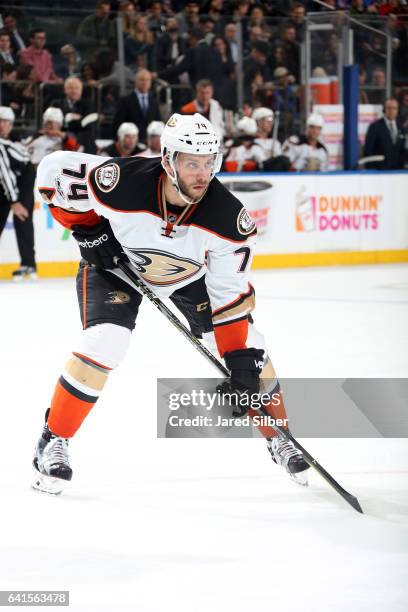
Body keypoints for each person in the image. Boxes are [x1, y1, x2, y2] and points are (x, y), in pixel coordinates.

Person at [32, 112, 309, 494]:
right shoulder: (121, 181)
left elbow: (229, 297)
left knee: (253, 349)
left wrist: (238, 358)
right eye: (191, 163)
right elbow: (52, 172)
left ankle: (279, 435)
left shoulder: (229, 220)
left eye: (209, 162)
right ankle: (53, 439)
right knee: (106, 341)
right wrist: (88, 230)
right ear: (167, 160)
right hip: (117, 267)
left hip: (189, 278)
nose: (202, 173)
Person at [0, 106, 37, 280]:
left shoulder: (6, 143)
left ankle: (29, 264)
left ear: (11, 124)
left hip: (23, 180)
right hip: (9, 184)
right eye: (0, 121)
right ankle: (29, 264)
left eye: (6, 122)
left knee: (22, 218)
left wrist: (15, 201)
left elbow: (6, 174)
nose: (2, 125)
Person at [112, 69, 161, 143]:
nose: (145, 83)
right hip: (130, 144)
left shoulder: (154, 102)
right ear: (136, 81)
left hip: (149, 144)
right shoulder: (125, 100)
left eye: (148, 80)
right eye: (142, 80)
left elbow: (157, 123)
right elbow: (118, 123)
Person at [364, 98, 406, 169]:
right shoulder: (375, 127)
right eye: (389, 108)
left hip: (398, 171)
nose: (391, 111)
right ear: (384, 110)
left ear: (398, 110)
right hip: (380, 171)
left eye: (394, 108)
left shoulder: (401, 127)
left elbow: (402, 150)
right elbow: (368, 151)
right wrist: (371, 170)